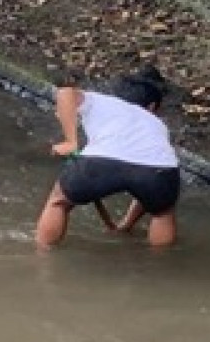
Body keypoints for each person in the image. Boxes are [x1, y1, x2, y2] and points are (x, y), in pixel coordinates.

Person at [35, 67, 181, 248]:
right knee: (162, 212)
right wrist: (125, 226)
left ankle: (42, 257)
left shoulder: (100, 101)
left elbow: (65, 93)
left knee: (58, 202)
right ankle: (160, 266)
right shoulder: (157, 124)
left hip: (101, 161)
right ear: (152, 107)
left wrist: (70, 142)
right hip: (160, 170)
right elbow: (144, 171)